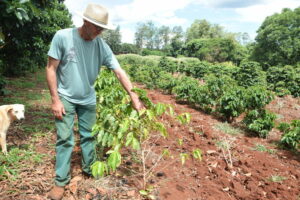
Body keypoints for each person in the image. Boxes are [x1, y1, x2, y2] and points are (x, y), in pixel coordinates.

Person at [46, 3, 144, 200]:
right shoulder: (63, 36)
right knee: (65, 139)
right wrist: (55, 100)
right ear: (85, 21)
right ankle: (61, 182)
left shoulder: (101, 46)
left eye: (103, 28)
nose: (100, 32)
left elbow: (118, 71)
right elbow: (50, 68)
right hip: (65, 96)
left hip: (88, 98)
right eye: (97, 27)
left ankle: (89, 170)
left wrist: (133, 95)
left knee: (89, 136)